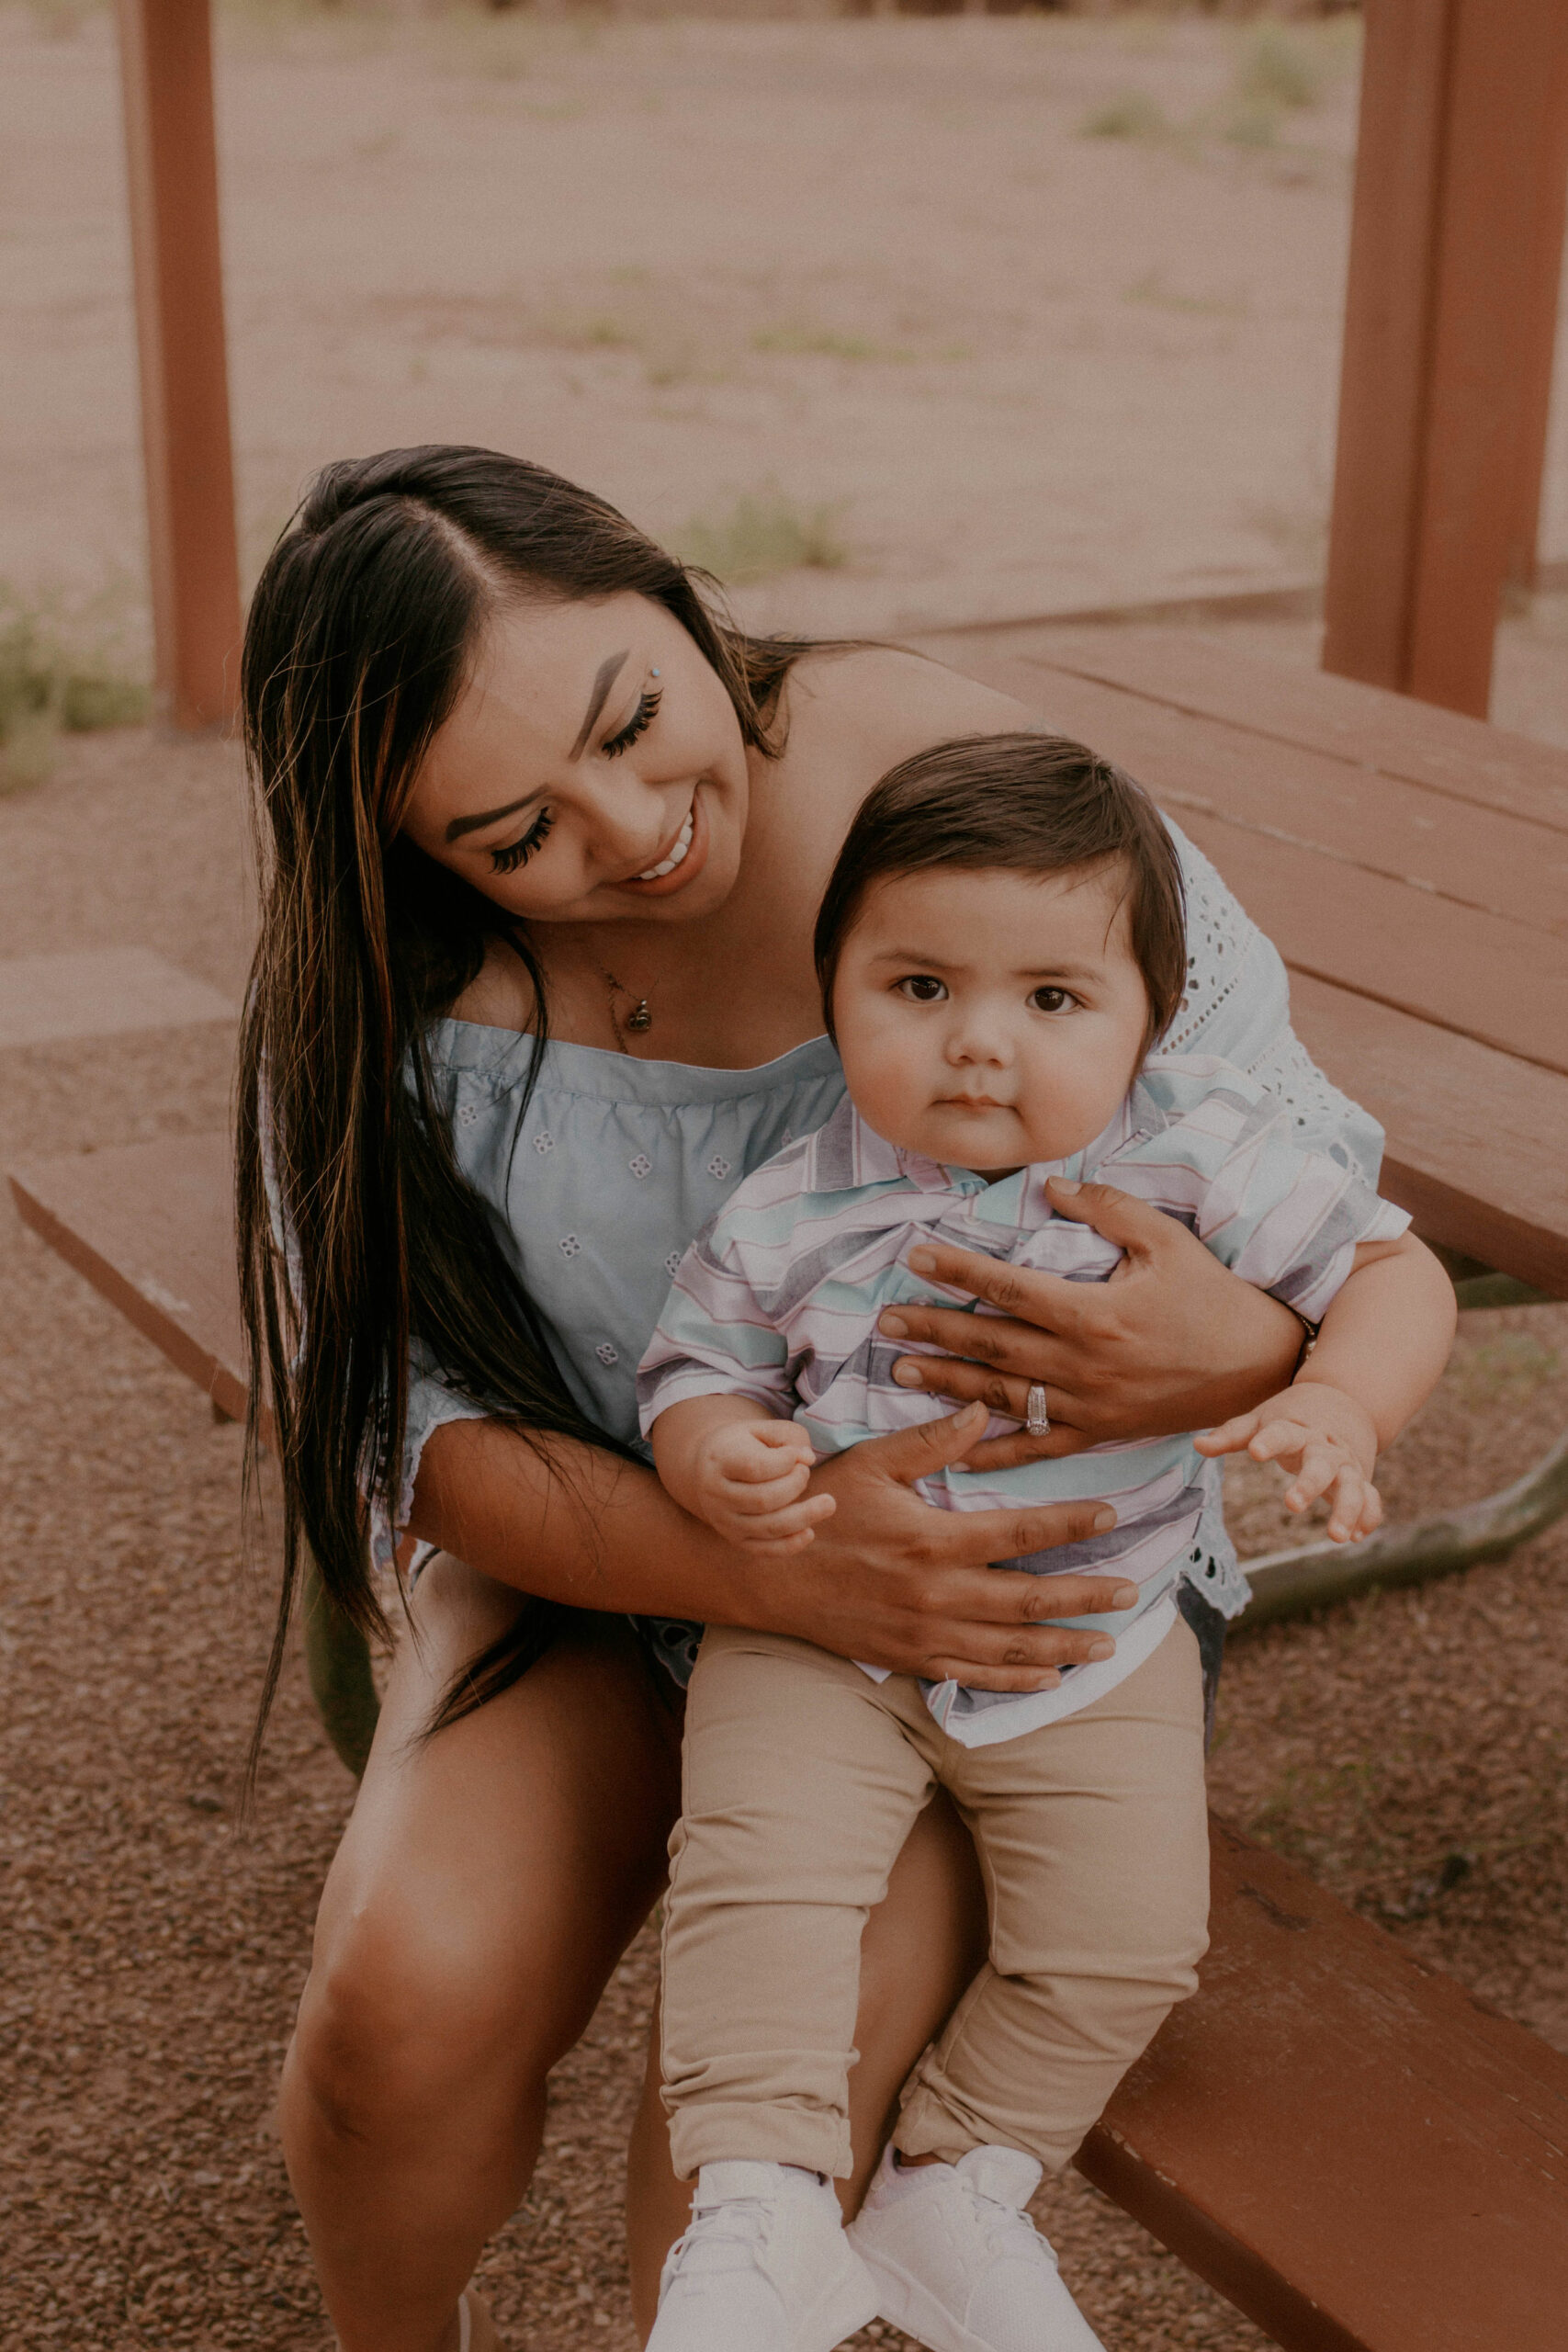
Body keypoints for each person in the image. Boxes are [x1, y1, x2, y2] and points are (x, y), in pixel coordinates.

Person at [234, 445, 1395, 2352]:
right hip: (602, 1536)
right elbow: (407, 1424)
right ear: (405, 849)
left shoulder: (946, 798)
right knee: (397, 2011)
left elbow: (1302, 1207)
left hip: (984, 1597)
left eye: (635, 719)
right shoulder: (381, 987)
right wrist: (764, 1571)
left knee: (730, 2177)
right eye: (514, 832)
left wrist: (1245, 1355)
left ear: (675, 596)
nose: (630, 829)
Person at [637, 736, 1456, 2352]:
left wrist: (1344, 1408)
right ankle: (755, 2205)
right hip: (825, 1632)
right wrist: (719, 1452)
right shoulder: (782, 1207)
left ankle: (959, 2182)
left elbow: (1392, 1272)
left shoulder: (1196, 1154)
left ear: (1151, 1016)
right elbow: (699, 1369)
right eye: (919, 988)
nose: (980, 1047)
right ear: (836, 992)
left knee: (1133, 1937)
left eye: (1053, 1002)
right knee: (757, 1878)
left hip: (1095, 1631)